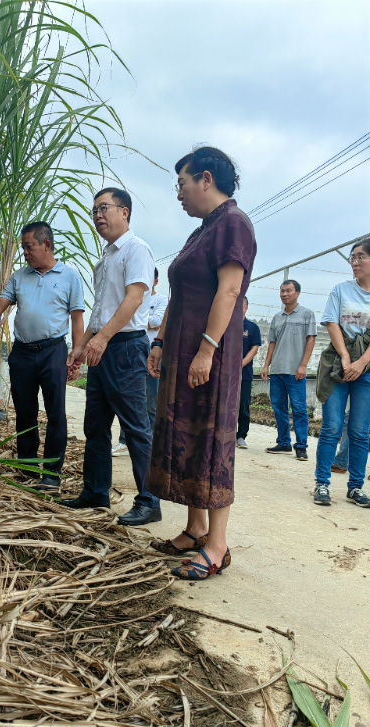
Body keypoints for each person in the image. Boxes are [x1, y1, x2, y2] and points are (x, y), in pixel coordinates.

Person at [147, 146, 257, 580]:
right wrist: (159, 342)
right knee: (187, 435)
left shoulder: (233, 223)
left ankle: (217, 545)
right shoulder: (203, 230)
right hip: (183, 351)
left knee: (211, 439)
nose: (179, 193)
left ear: (206, 179)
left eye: (182, 183)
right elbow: (179, 295)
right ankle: (194, 529)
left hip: (210, 355)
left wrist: (207, 349)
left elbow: (229, 291)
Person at [62, 187, 161, 526]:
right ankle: (95, 492)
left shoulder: (136, 249)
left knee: (135, 427)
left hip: (126, 348)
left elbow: (134, 299)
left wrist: (102, 339)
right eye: (94, 211)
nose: (98, 215)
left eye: (104, 208)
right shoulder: (106, 258)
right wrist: (81, 347)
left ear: (125, 212)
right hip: (102, 349)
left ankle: (149, 501)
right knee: (96, 426)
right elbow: (99, 313)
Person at [0, 221, 85, 490]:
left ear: (46, 244)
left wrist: (76, 354)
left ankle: (52, 474)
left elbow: (77, 319)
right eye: (24, 248)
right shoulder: (19, 276)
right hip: (22, 354)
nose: (26, 253)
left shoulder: (69, 276)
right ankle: (28, 468)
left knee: (56, 414)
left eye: (29, 247)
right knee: (25, 413)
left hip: (53, 351)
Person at [313, 238, 370, 508]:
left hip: (367, 368)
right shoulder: (340, 289)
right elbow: (331, 322)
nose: (355, 262)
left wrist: (361, 364)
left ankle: (355, 487)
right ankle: (322, 483)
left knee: (360, 431)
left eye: (361, 257)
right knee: (332, 426)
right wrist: (347, 357)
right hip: (338, 362)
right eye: (352, 257)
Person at [112, 267, 169, 456]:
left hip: (152, 353)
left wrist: (132, 316)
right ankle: (124, 441)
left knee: (150, 400)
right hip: (130, 351)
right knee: (126, 398)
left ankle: (147, 443)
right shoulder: (130, 296)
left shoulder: (160, 300)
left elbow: (159, 320)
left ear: (155, 282)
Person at [260, 280, 316, 461]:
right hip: (277, 370)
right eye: (282, 291)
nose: (285, 294)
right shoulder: (277, 317)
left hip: (295, 371)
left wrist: (303, 365)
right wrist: (266, 365)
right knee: (279, 407)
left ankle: (301, 446)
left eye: (289, 291)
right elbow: (272, 343)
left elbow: (311, 340)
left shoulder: (307, 314)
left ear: (297, 293)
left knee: (299, 409)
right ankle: (283, 443)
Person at [236, 296, 261, 448]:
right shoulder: (226, 325)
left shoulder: (252, 327)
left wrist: (240, 365)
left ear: (246, 307)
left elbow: (254, 348)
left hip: (244, 374)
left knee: (243, 405)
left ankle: (241, 436)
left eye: (240, 305)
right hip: (226, 373)